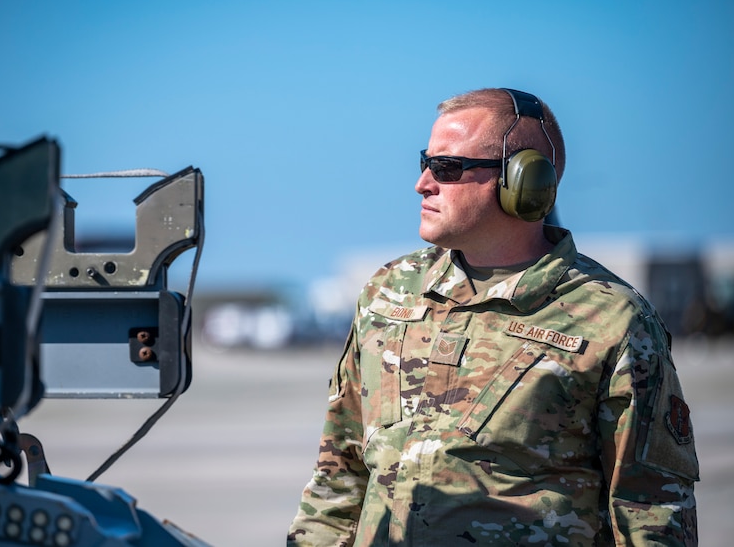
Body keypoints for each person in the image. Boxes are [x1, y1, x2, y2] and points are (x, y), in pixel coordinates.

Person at [287, 88, 699, 546]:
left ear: (522, 180)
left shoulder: (612, 320)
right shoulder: (389, 291)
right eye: (425, 162)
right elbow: (338, 473)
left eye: (446, 167)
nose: (423, 183)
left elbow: (650, 512)